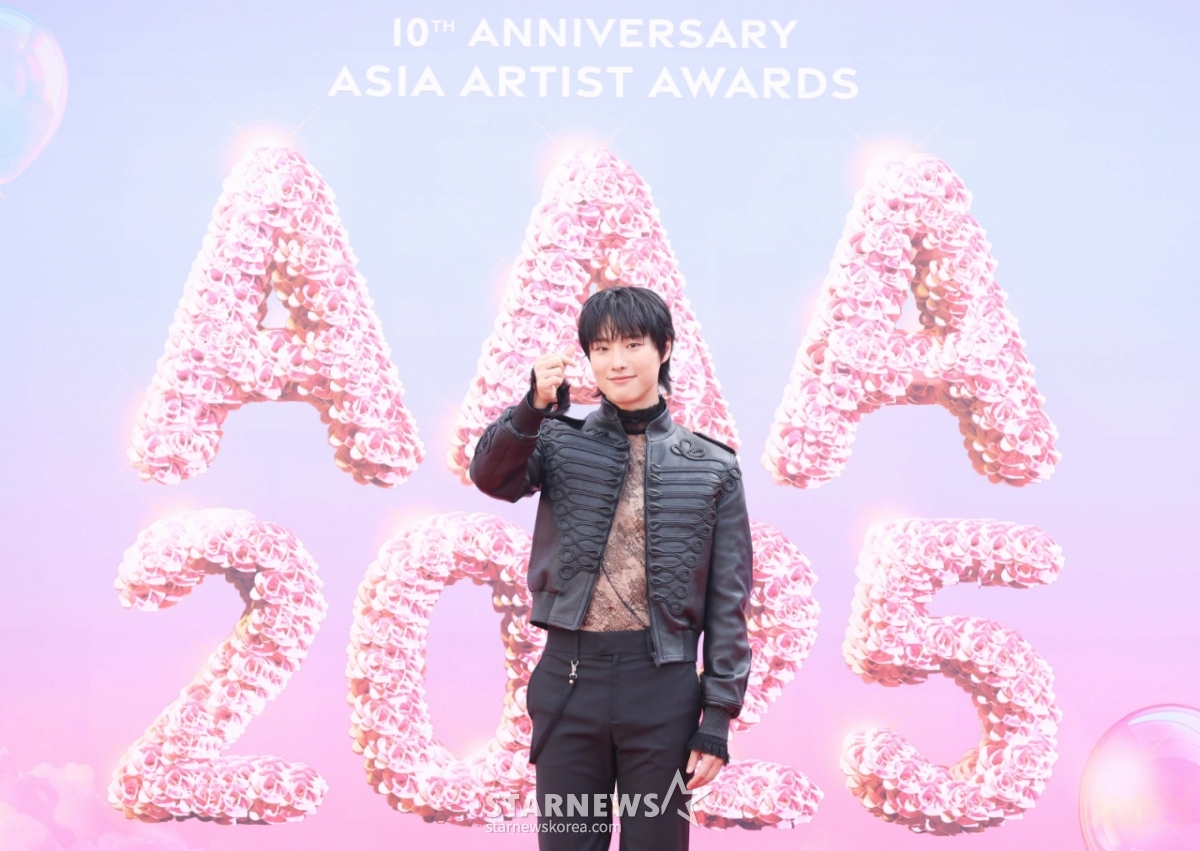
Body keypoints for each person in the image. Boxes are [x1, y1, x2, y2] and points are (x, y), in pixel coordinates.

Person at [470, 286, 753, 850]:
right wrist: (532, 407)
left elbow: (729, 600)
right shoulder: (556, 438)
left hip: (664, 689)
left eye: (631, 344)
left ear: (664, 348)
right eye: (601, 349)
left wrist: (718, 717)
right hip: (569, 680)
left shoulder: (713, 466)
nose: (616, 361)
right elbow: (491, 477)